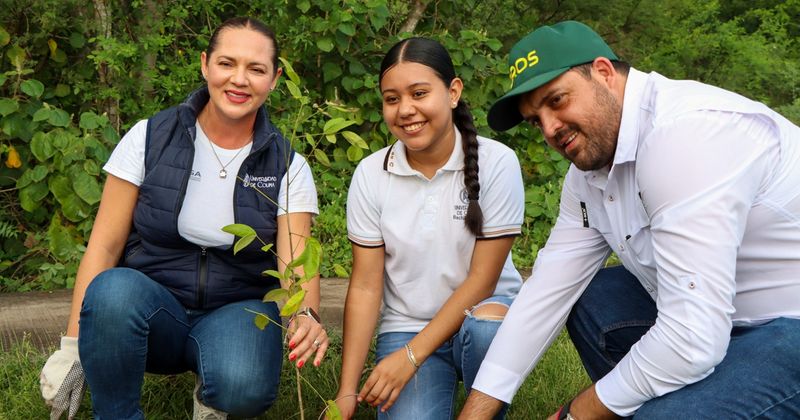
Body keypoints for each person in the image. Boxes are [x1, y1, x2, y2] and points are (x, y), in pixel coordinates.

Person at [457, 20, 800, 419]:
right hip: (718, 321)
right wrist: (475, 412)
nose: (549, 129)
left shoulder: (686, 135)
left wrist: (576, 413)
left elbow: (692, 338)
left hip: (785, 323)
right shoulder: (588, 172)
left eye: (556, 100)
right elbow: (548, 290)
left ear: (604, 72)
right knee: (590, 295)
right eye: (536, 120)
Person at [38, 16, 330, 419]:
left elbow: (295, 265)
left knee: (244, 386)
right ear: (205, 64)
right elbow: (104, 246)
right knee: (111, 291)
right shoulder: (149, 137)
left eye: (256, 69)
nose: (239, 80)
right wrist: (73, 344)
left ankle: (213, 392)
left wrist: (305, 317)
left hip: (237, 311)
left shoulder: (289, 164)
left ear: (275, 79)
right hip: (152, 308)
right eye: (227, 63)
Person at [333, 37, 525, 419]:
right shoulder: (371, 174)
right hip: (407, 325)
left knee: (487, 331)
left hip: (484, 316)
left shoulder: (497, 163)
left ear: (453, 92)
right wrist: (347, 392)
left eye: (419, 93)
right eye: (391, 99)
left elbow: (483, 281)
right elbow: (367, 286)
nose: (405, 110)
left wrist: (408, 358)